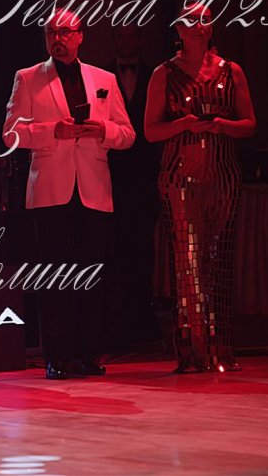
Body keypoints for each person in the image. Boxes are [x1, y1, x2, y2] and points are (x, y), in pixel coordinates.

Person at [4, 7, 135, 380]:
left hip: (93, 189)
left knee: (90, 274)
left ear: (80, 36)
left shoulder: (104, 78)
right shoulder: (28, 77)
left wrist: (102, 130)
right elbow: (10, 134)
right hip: (50, 190)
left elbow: (128, 134)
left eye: (65, 32)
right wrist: (52, 131)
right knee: (55, 275)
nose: (57, 39)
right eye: (51, 32)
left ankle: (87, 353)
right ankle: (57, 356)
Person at [144, 2, 256, 373]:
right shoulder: (164, 73)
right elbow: (150, 130)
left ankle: (221, 349)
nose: (199, 26)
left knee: (219, 258)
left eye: (205, 20)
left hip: (222, 173)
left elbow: (250, 124)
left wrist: (222, 125)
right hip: (180, 174)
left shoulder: (231, 70)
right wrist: (185, 124)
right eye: (191, 20)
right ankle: (192, 351)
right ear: (178, 29)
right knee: (187, 262)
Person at [104, 26, 161, 346]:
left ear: (140, 39)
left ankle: (143, 321)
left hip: (145, 176)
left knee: (143, 249)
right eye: (120, 37)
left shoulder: (156, 76)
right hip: (109, 175)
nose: (126, 42)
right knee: (113, 250)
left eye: (131, 36)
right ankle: (116, 323)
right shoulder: (100, 76)